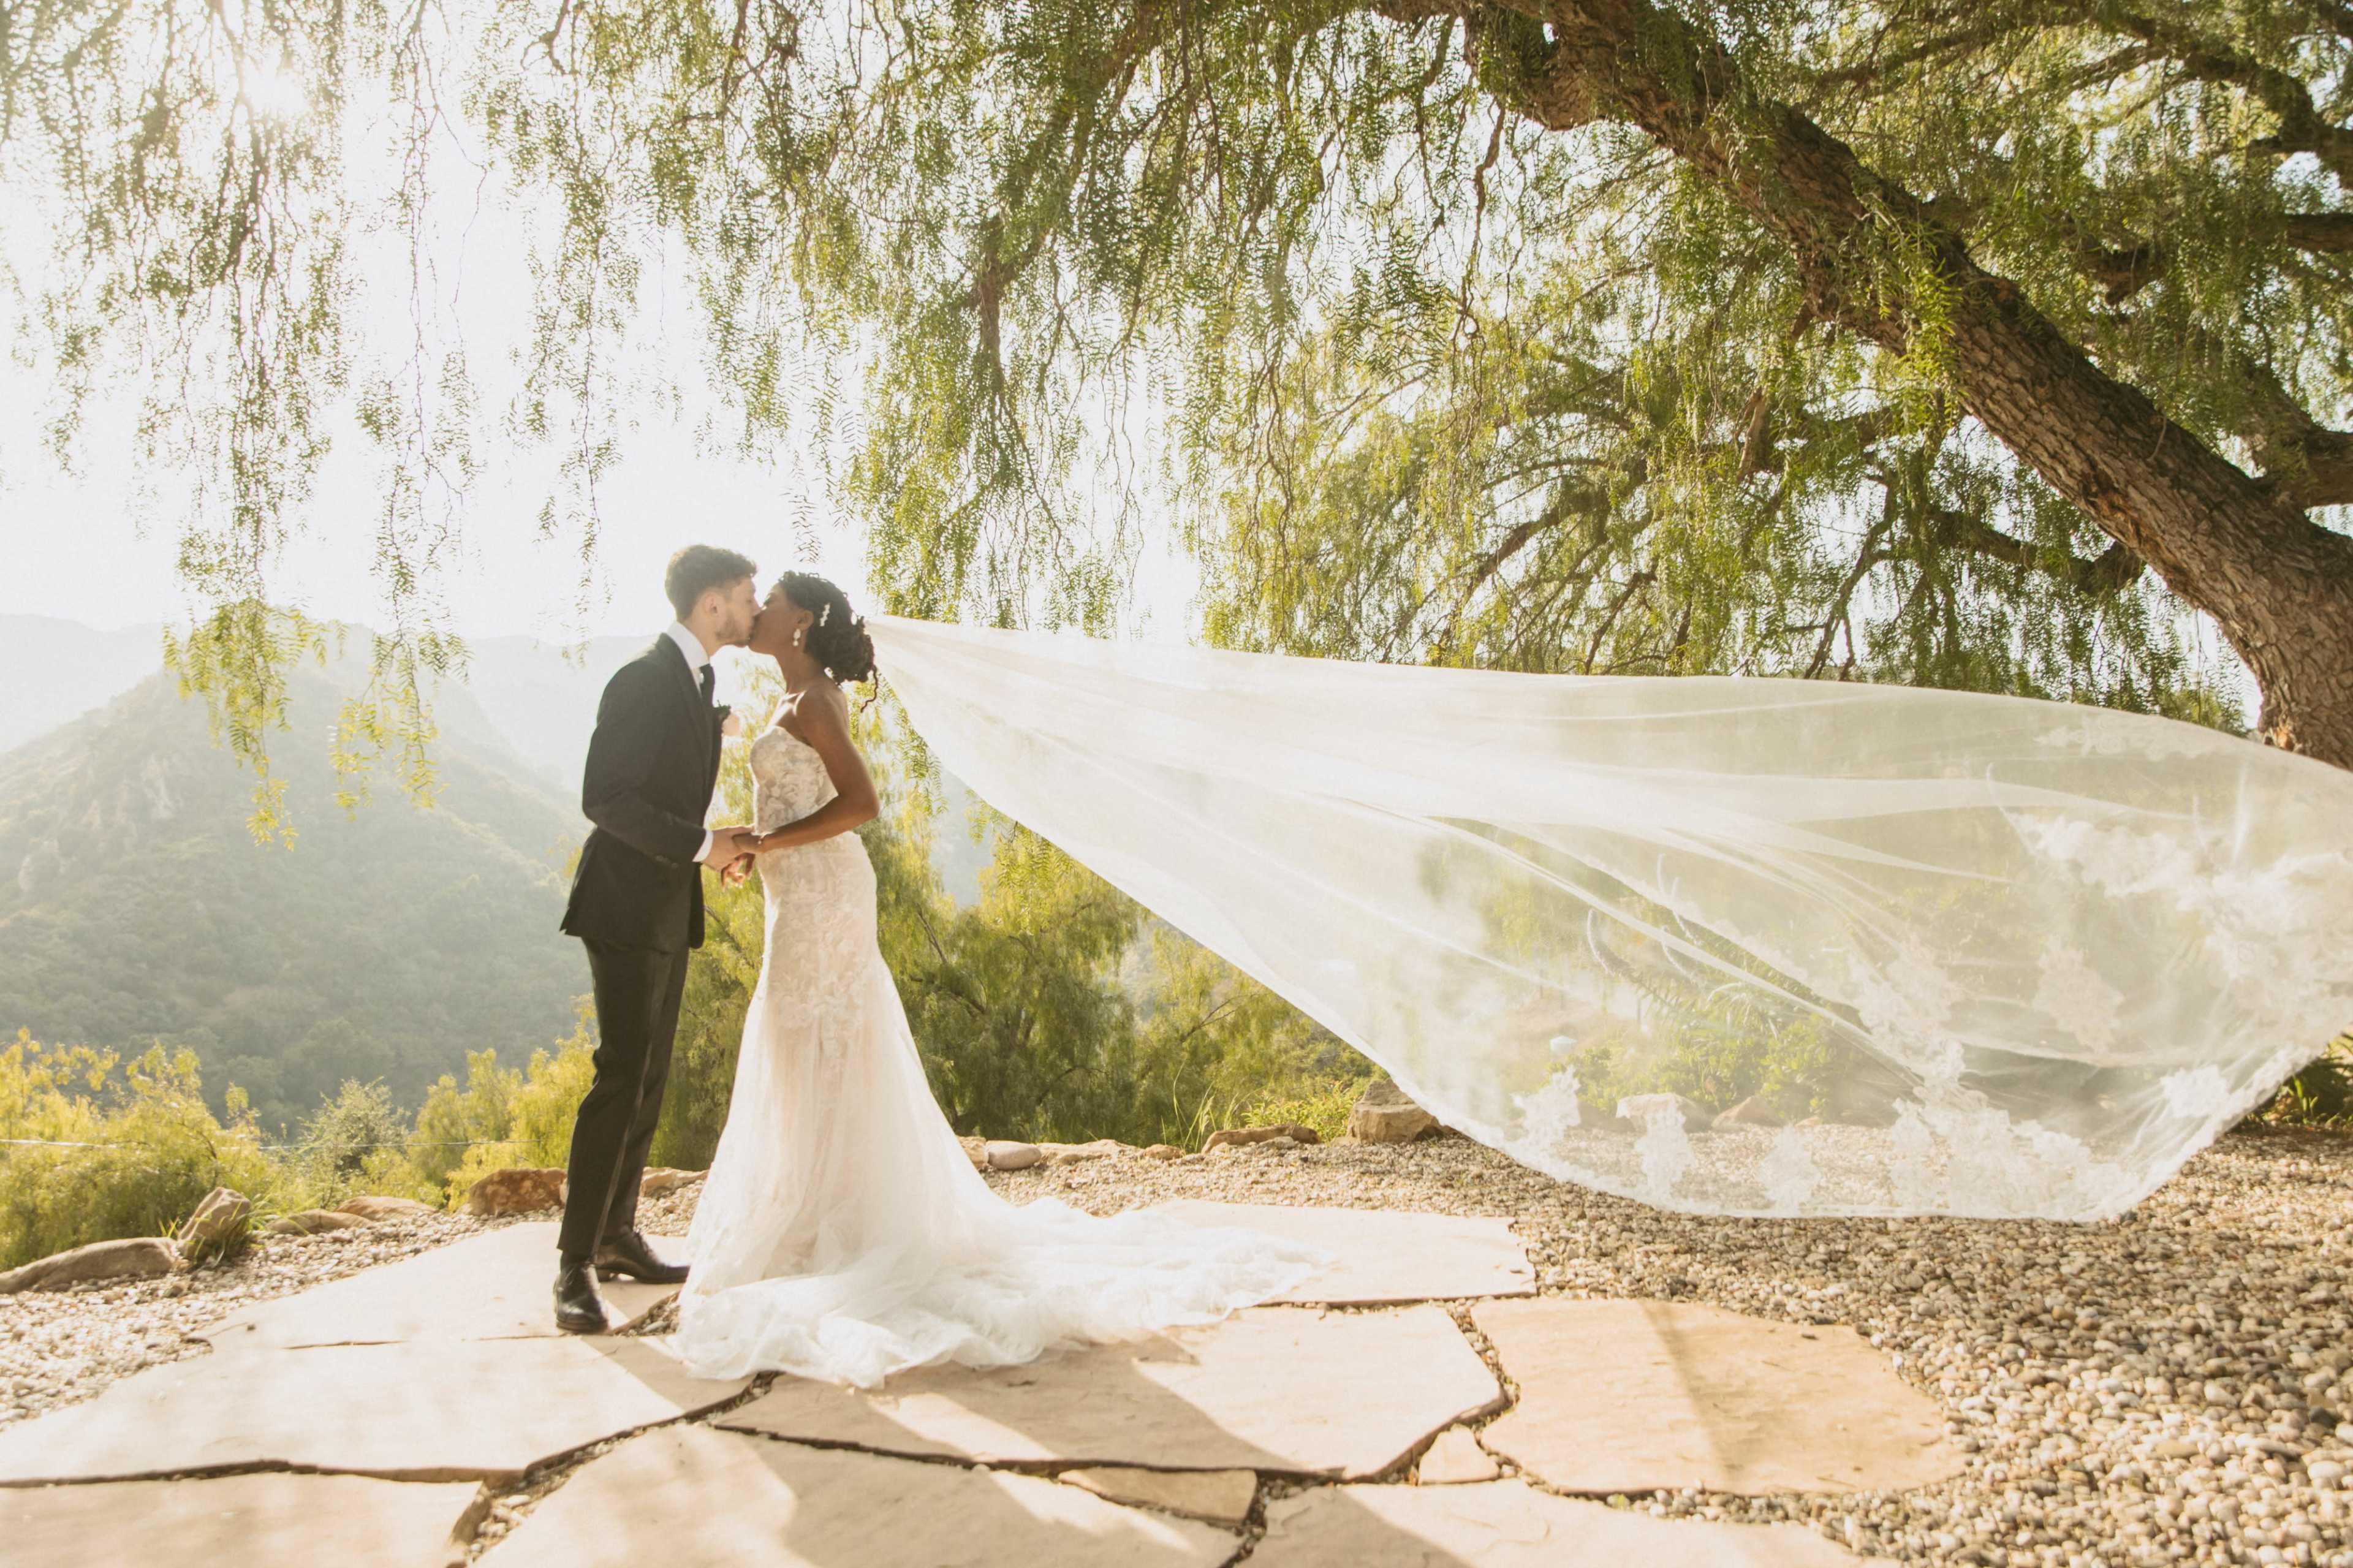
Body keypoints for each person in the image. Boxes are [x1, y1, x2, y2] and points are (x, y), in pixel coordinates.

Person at [667, 571, 1325, 1385]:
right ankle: (815, 1214)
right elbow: (795, 806)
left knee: (823, 1037)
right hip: (794, 895)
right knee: (799, 1044)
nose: (755, 612)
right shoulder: (791, 702)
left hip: (825, 895)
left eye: (768, 603)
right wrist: (758, 845)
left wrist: (766, 846)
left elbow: (862, 805)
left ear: (800, 621)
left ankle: (843, 1227)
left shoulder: (814, 704)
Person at [551, 545, 760, 1334]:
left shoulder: (697, 681)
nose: (752, 606)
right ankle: (572, 1267)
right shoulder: (642, 676)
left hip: (666, 905)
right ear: (712, 604)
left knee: (649, 1075)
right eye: (744, 595)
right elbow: (604, 797)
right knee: (619, 1075)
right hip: (622, 906)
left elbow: (670, 776)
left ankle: (617, 1235)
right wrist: (707, 845)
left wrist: (716, 844)